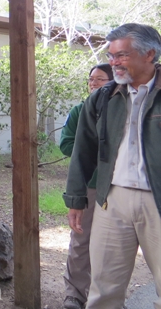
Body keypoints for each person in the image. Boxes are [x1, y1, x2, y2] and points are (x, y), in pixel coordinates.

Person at [64, 23, 161, 309]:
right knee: (103, 290)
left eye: (122, 55)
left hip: (158, 201)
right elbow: (82, 149)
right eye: (111, 55)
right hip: (112, 200)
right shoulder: (103, 97)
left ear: (149, 54)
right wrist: (76, 199)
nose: (113, 62)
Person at [60, 63, 114, 309]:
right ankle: (74, 295)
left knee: (114, 244)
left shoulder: (123, 109)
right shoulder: (79, 110)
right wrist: (93, 154)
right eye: (91, 79)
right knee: (81, 240)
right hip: (90, 185)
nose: (93, 83)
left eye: (100, 79)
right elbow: (67, 144)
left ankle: (108, 297)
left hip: (119, 188)